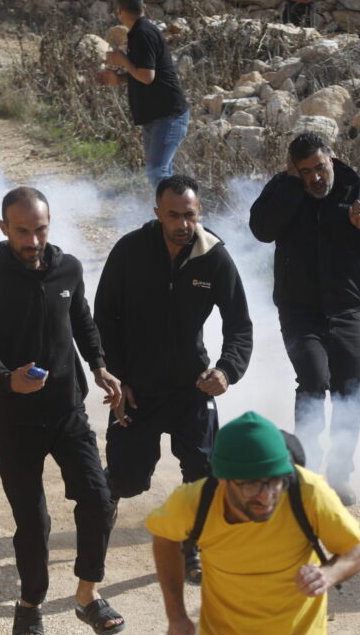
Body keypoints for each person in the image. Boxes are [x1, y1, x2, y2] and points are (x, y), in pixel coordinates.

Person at [147, 410, 360, 635]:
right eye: (250, 485)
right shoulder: (195, 500)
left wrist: (329, 574)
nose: (266, 497)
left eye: (274, 482)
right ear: (223, 480)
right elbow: (164, 538)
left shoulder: (306, 490)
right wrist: (176, 617)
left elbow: (358, 550)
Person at [0, 186, 125, 635]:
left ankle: (87, 597)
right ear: (4, 229)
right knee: (33, 522)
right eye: (22, 232)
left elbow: (82, 322)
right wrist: (7, 380)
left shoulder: (68, 269)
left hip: (66, 411)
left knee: (97, 499)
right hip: (12, 419)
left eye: (40, 230)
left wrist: (98, 366)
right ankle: (30, 605)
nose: (32, 241)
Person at [94, 174, 253, 583]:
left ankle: (194, 546)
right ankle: (105, 499)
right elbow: (103, 318)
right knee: (130, 480)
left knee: (202, 471)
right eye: (174, 216)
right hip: (137, 388)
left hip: (191, 385)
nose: (183, 224)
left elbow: (239, 326)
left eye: (190, 215)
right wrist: (118, 376)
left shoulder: (213, 256)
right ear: (157, 214)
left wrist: (225, 371)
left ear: (199, 213)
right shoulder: (130, 251)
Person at [248, 131, 360, 505]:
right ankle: (306, 472)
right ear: (293, 169)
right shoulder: (284, 187)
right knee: (313, 384)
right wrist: (288, 185)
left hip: (346, 310)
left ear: (331, 158)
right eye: (306, 172)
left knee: (349, 392)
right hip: (298, 311)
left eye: (320, 167)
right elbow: (261, 230)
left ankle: (338, 473)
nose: (316, 177)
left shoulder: (355, 186)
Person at [93, 0, 190, 188]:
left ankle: (175, 215)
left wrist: (121, 60)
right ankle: (174, 215)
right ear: (144, 8)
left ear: (118, 11)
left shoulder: (143, 33)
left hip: (168, 116)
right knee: (162, 173)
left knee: (158, 173)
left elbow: (146, 77)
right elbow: (143, 72)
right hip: (158, 116)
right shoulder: (140, 32)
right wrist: (118, 79)